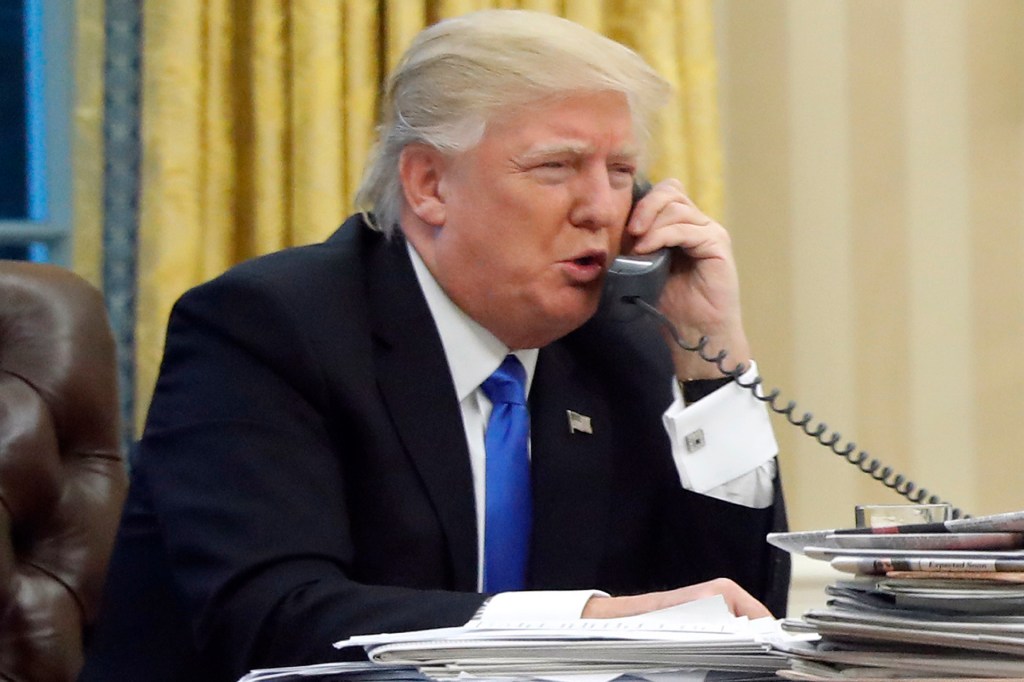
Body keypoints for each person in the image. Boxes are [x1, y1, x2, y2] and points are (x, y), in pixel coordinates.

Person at [80, 9, 789, 682]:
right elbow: (272, 615)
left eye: (619, 171)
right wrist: (585, 622)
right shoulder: (267, 327)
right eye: (556, 167)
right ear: (428, 184)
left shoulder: (619, 346)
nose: (602, 208)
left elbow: (743, 622)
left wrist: (711, 363)